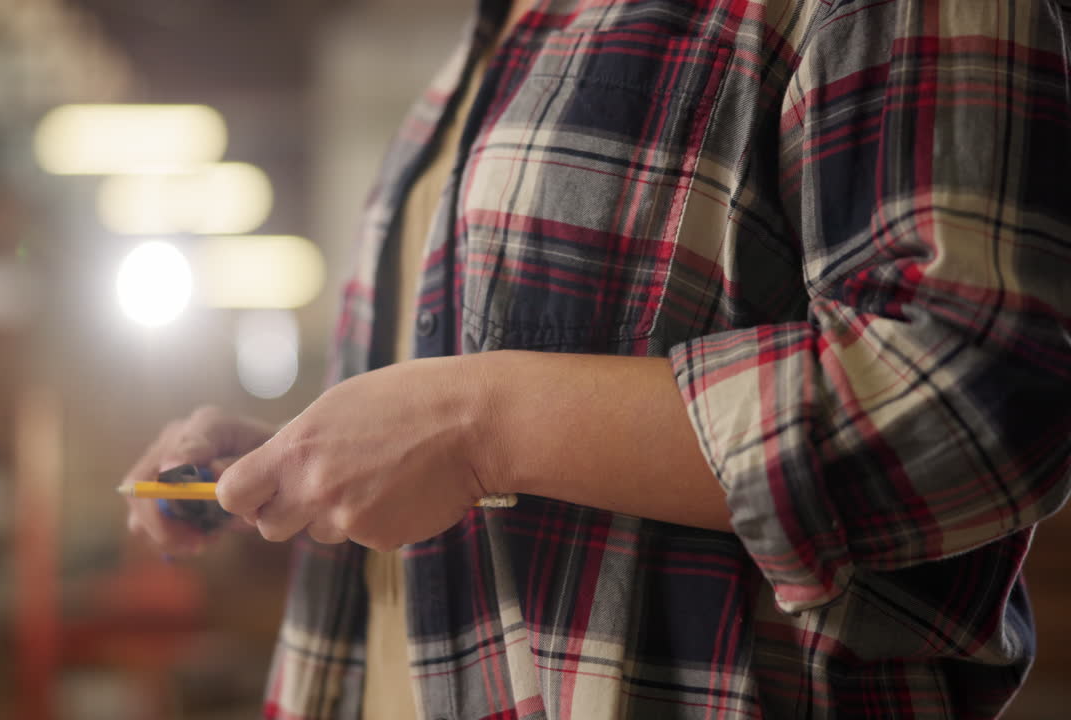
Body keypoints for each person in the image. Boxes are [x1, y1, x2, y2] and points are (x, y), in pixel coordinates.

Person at [123, 0, 1071, 717]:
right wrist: (304, 460)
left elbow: (975, 389)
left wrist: (475, 426)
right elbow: (502, 400)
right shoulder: (503, 29)